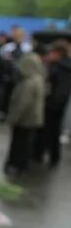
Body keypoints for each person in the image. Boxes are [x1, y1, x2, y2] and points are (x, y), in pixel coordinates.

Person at [5, 50, 46, 176]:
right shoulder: (39, 79)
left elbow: (22, 103)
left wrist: (13, 118)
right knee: (27, 143)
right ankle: (23, 165)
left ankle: (16, 164)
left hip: (24, 120)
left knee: (19, 143)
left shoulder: (28, 82)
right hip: (34, 119)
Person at [33, 39, 71, 168]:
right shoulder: (60, 66)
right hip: (54, 104)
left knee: (48, 131)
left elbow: (61, 89)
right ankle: (51, 156)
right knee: (53, 132)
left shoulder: (62, 68)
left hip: (53, 105)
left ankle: (40, 154)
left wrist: (52, 101)